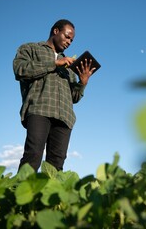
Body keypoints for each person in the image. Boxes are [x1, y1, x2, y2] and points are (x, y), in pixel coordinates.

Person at [13, 19, 96, 172]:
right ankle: (19, 193)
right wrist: (55, 63)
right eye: (67, 36)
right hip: (40, 110)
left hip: (64, 117)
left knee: (56, 166)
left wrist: (83, 82)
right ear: (56, 31)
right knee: (33, 155)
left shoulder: (70, 65)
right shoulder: (31, 48)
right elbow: (20, 70)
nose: (69, 41)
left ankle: (48, 195)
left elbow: (74, 97)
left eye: (72, 39)